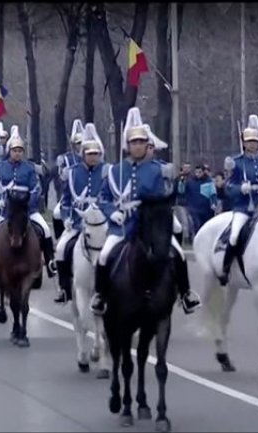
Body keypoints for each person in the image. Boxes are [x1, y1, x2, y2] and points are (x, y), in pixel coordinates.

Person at [89, 107, 201, 316]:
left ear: (147, 144)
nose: (138, 146)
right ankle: (100, 296)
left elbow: (166, 196)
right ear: (127, 145)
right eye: (134, 142)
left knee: (178, 253)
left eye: (141, 142)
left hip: (151, 226)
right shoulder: (115, 171)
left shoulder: (159, 169)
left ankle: (186, 294)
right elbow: (103, 198)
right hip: (121, 227)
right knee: (104, 256)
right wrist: (112, 211)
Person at [0, 126, 57, 279]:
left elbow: (35, 188)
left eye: (20, 150)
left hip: (26, 210)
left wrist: (28, 204)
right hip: (4, 210)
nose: (18, 153)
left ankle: (50, 261)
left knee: (46, 229)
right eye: (15, 150)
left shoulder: (29, 168)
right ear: (9, 151)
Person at [218, 114, 258, 286]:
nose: (252, 144)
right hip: (244, 207)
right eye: (249, 141)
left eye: (255, 141)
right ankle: (226, 268)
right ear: (243, 143)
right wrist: (240, 189)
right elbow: (228, 186)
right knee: (234, 235)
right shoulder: (235, 162)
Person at [52, 123, 108, 304]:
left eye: (96, 154)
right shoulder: (73, 173)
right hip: (77, 222)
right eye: (90, 154)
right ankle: (63, 288)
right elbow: (66, 200)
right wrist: (67, 217)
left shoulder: (108, 171)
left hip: (102, 224)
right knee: (60, 249)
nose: (93, 157)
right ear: (83, 154)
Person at [52, 119, 84, 238]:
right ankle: (59, 237)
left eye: (83, 143)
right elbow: (60, 180)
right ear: (74, 145)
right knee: (56, 213)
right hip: (71, 195)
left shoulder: (92, 156)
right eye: (78, 143)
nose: (81, 146)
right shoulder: (65, 159)